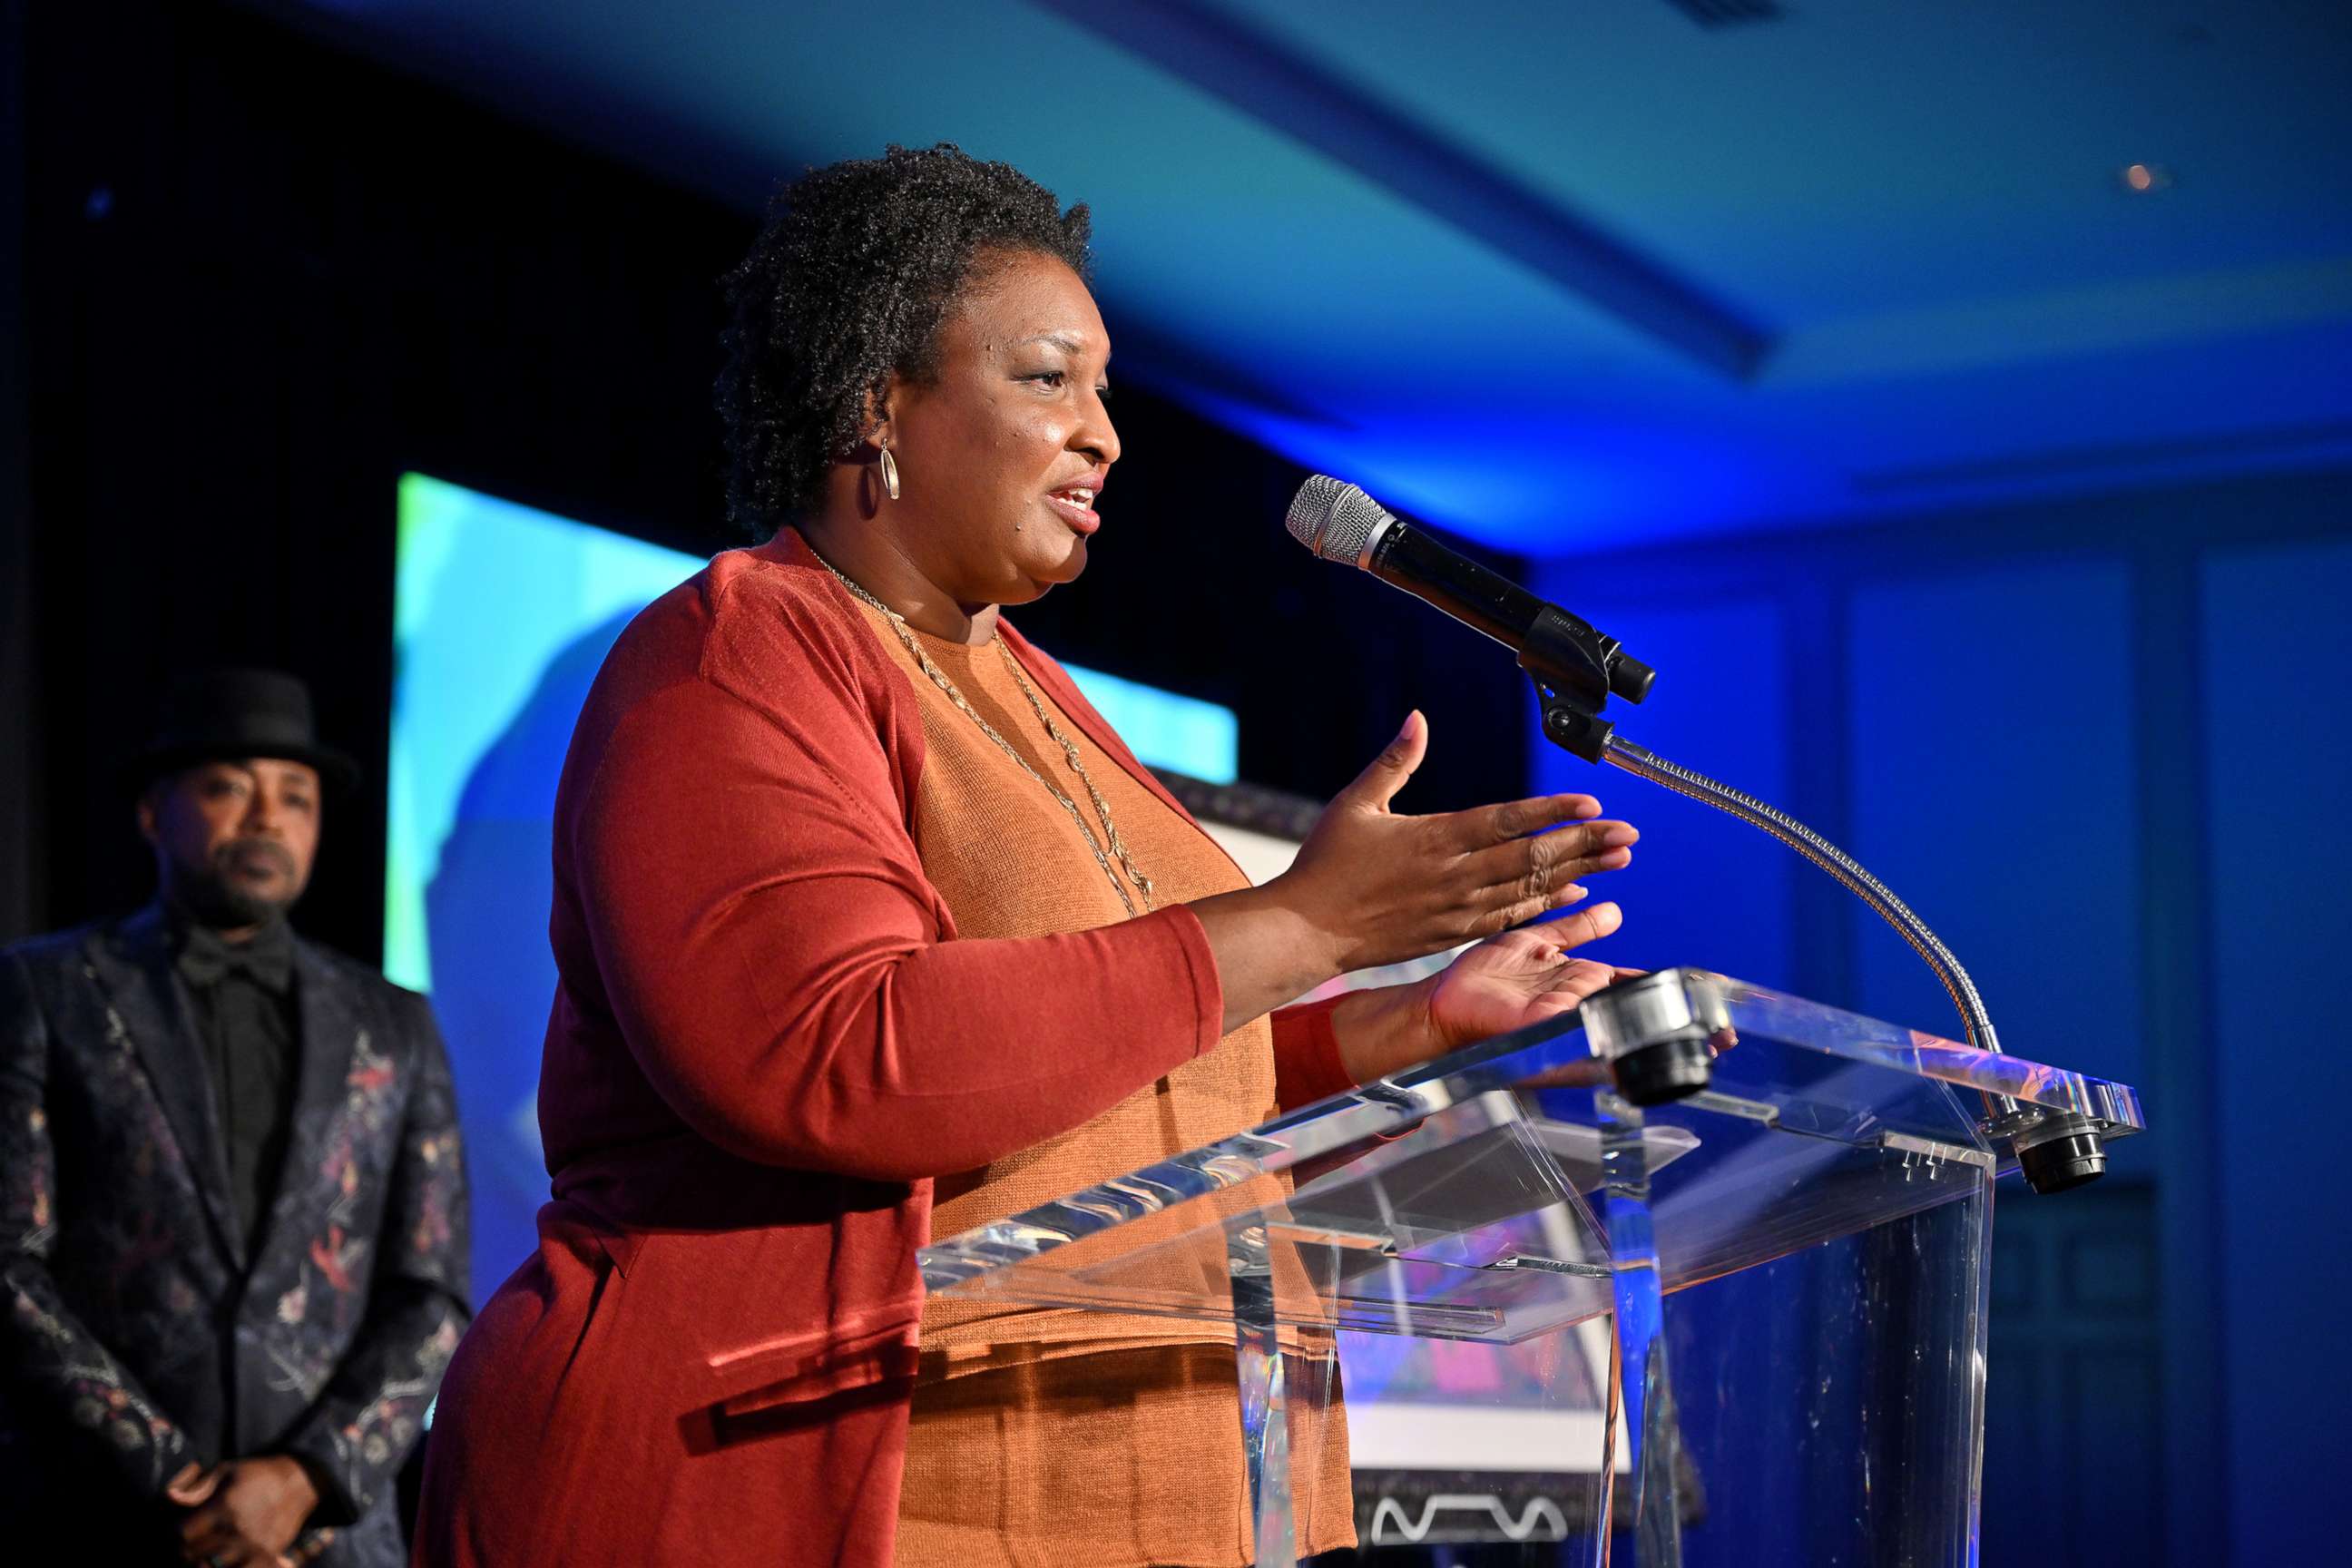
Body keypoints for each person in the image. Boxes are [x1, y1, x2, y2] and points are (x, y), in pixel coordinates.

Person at [413, 145, 1639, 1568]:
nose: (1107, 435)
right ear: (881, 402)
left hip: (1161, 1500)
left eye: (1104, 388)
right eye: (1050, 380)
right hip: (816, 1491)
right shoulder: (742, 652)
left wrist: (1400, 1021)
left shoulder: (1048, 702)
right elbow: (836, 1054)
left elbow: (1129, 1083)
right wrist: (1304, 928)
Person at [0, 668, 471, 1566]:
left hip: (325, 1539)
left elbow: (435, 1290)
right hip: (99, 1521)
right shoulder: (42, 990)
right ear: (152, 812)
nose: (266, 817)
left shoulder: (395, 1022)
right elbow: (9, 1267)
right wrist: (179, 1482)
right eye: (229, 787)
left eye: (296, 797)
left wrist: (300, 1483)